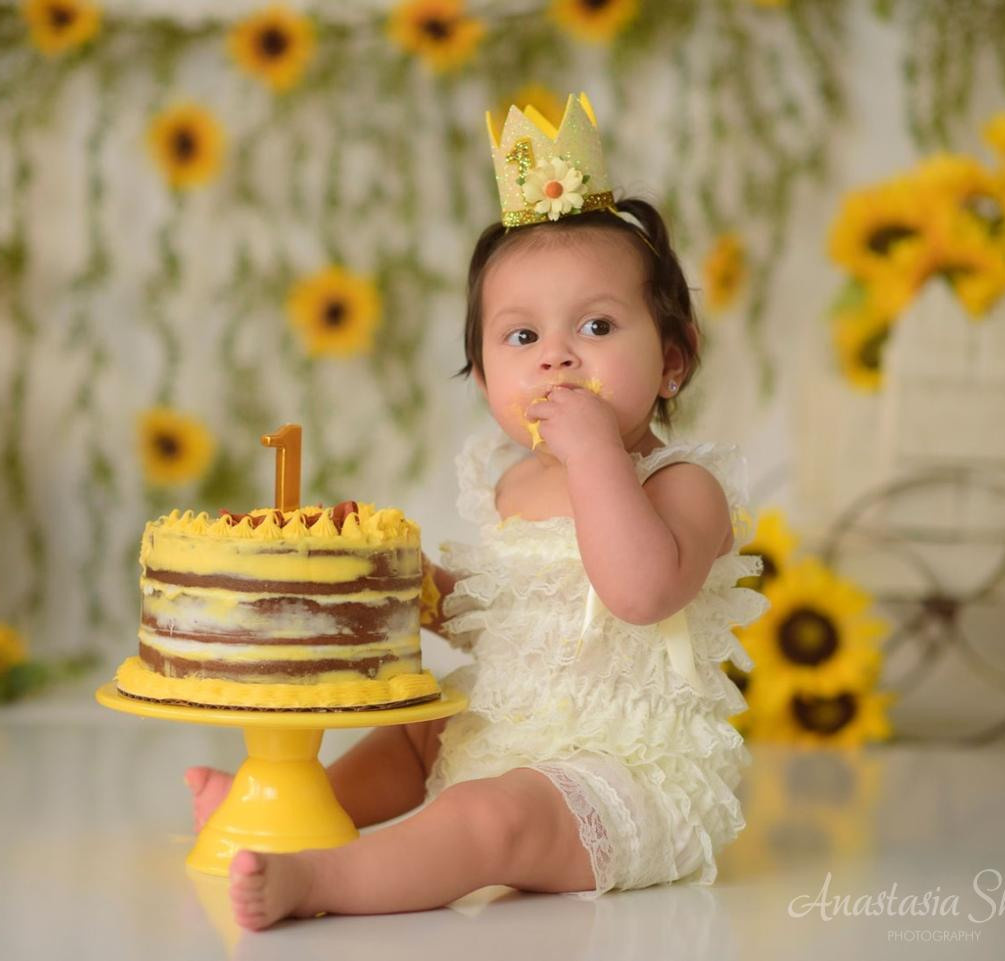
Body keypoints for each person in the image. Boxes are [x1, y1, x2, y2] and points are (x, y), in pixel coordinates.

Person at [185, 93, 768, 930]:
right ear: (485, 374)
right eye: (521, 338)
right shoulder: (506, 482)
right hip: (507, 731)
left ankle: (322, 881)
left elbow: (639, 592)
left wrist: (599, 454)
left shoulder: (681, 484)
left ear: (673, 360)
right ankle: (270, 812)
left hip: (622, 774)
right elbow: (506, 618)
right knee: (416, 734)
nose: (558, 355)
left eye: (596, 325)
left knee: (491, 817)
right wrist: (423, 590)